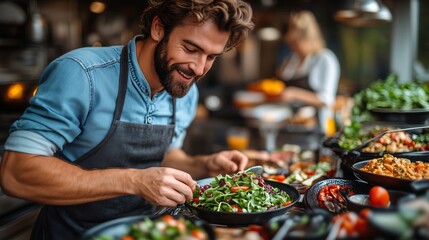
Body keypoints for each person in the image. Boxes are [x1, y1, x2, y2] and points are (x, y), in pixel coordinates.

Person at [0, 0, 254, 239]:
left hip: (147, 231)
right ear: (158, 28)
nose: (198, 69)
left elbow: (165, 158)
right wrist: (132, 180)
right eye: (190, 49)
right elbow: (17, 171)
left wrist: (206, 165)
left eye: (211, 57)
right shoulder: (82, 73)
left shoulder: (185, 90)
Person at [276, 10, 340, 134]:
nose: (293, 47)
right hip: (290, 127)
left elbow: (326, 101)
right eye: (291, 43)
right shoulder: (292, 59)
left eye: (296, 42)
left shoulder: (324, 59)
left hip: (316, 130)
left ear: (309, 38)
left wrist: (294, 94)